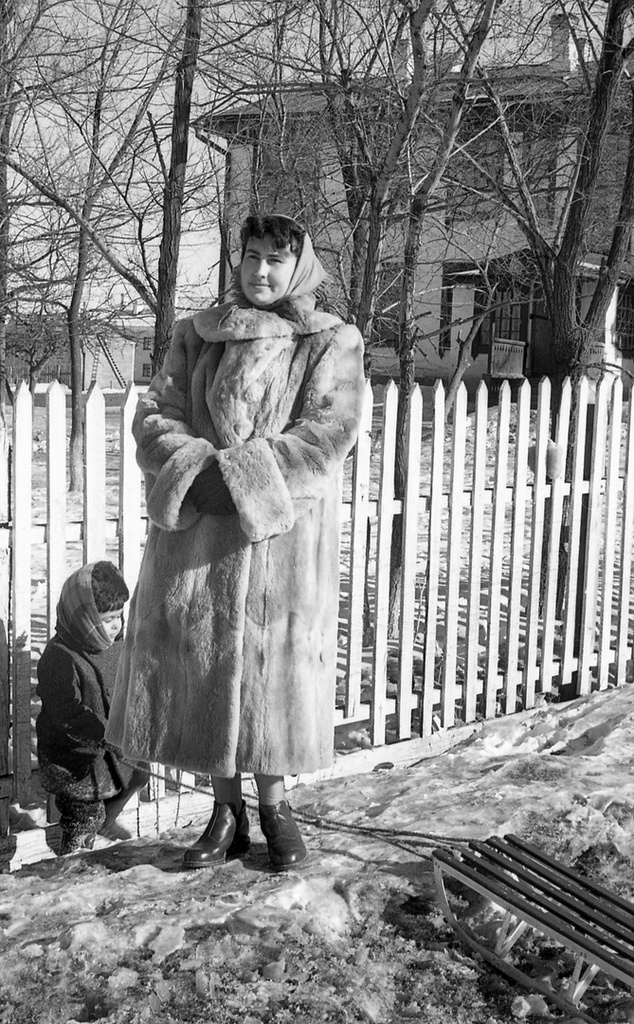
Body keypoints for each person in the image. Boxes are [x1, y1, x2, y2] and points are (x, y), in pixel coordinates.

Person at [105, 212, 366, 871]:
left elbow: (326, 434)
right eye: (251, 257)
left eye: (276, 260)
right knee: (205, 666)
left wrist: (246, 480)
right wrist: (196, 472)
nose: (260, 271)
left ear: (299, 265)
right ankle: (226, 814)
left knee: (268, 672)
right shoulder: (199, 335)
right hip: (198, 536)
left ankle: (275, 808)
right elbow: (154, 415)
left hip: (278, 537)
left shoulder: (330, 340)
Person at [36, 561, 149, 855]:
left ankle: (106, 821)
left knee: (140, 774)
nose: (116, 626)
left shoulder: (116, 646)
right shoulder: (60, 656)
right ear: (85, 618)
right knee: (84, 814)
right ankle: (72, 859)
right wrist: (105, 733)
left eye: (119, 617)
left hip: (110, 748)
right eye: (108, 619)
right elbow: (66, 712)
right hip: (73, 758)